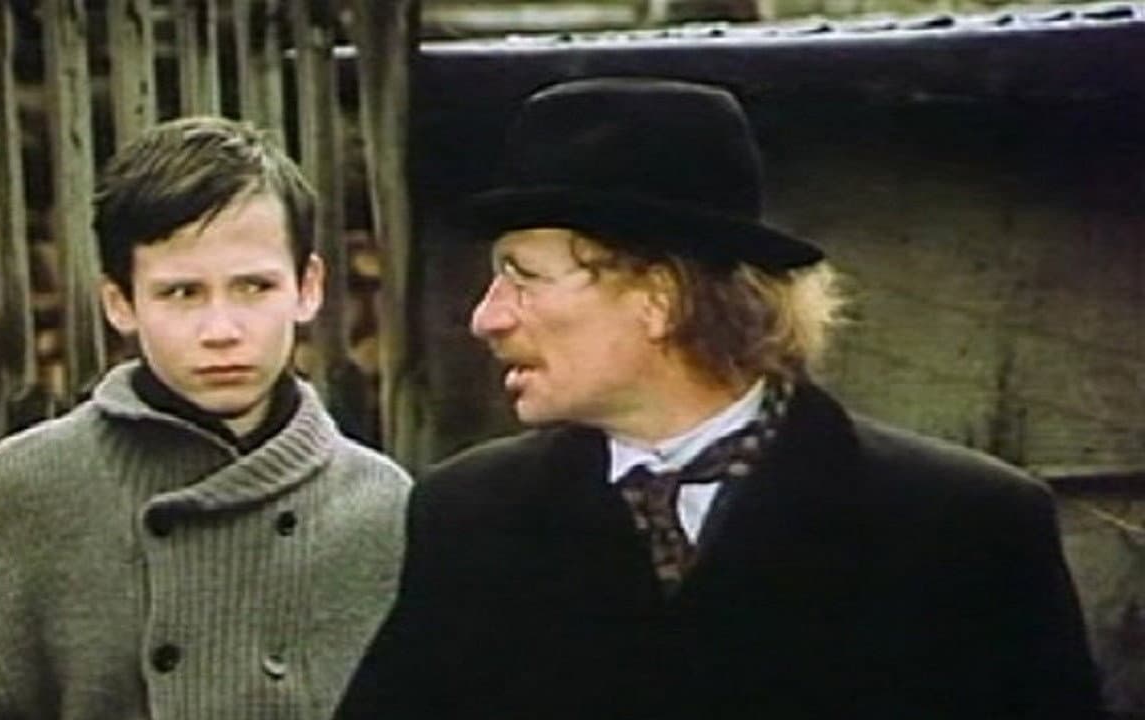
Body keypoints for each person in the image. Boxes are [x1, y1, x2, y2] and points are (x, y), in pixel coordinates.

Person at [336, 77, 1102, 719]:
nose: (486, 317)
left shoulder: (965, 527)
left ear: (659, 298)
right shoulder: (470, 517)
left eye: (524, 277)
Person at [0, 117, 411, 720]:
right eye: (181, 293)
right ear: (120, 303)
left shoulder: (383, 508)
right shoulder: (21, 496)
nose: (222, 330)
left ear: (308, 287)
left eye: (254, 287)